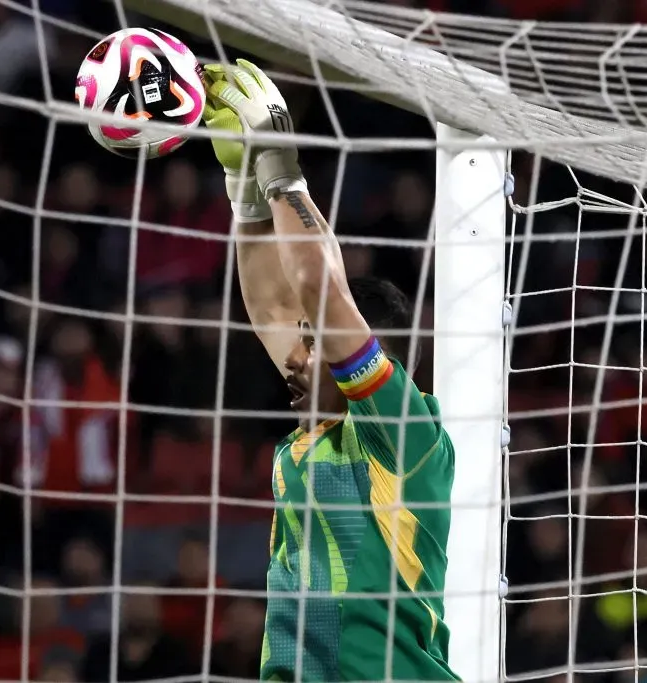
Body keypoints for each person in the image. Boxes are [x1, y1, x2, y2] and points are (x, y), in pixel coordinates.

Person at [200, 59, 459, 682]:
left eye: (315, 343)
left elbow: (318, 287)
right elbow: (270, 306)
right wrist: (245, 186)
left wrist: (282, 167)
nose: (296, 352)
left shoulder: (403, 431)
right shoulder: (316, 430)